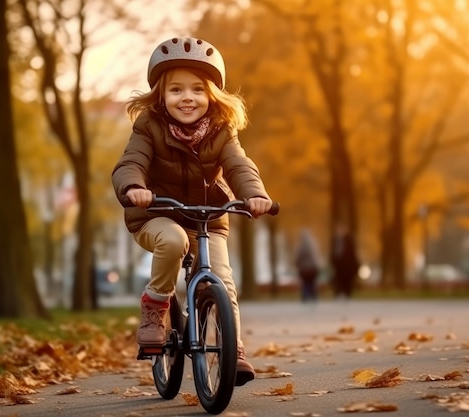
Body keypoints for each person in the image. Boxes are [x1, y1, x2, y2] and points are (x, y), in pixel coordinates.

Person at [112, 37, 273, 386]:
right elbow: (131, 162)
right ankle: (156, 307)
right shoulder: (148, 127)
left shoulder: (222, 131)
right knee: (172, 241)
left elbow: (240, 166)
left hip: (206, 218)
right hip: (157, 214)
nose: (188, 97)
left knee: (224, 280)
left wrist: (255, 194)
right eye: (176, 90)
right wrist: (134, 188)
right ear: (161, 96)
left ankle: (235, 347)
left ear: (212, 94)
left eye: (198, 89)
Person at [330, 225, 360, 299]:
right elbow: (332, 252)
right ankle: (339, 293)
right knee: (338, 279)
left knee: (347, 280)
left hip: (347, 264)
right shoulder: (335, 240)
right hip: (338, 265)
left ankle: (347, 294)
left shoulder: (349, 239)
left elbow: (353, 253)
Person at [295, 228, 322, 303]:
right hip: (313, 268)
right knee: (312, 284)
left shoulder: (301, 246)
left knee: (306, 284)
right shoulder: (314, 245)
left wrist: (298, 265)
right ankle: (314, 297)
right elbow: (317, 258)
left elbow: (298, 257)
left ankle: (306, 297)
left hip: (305, 269)